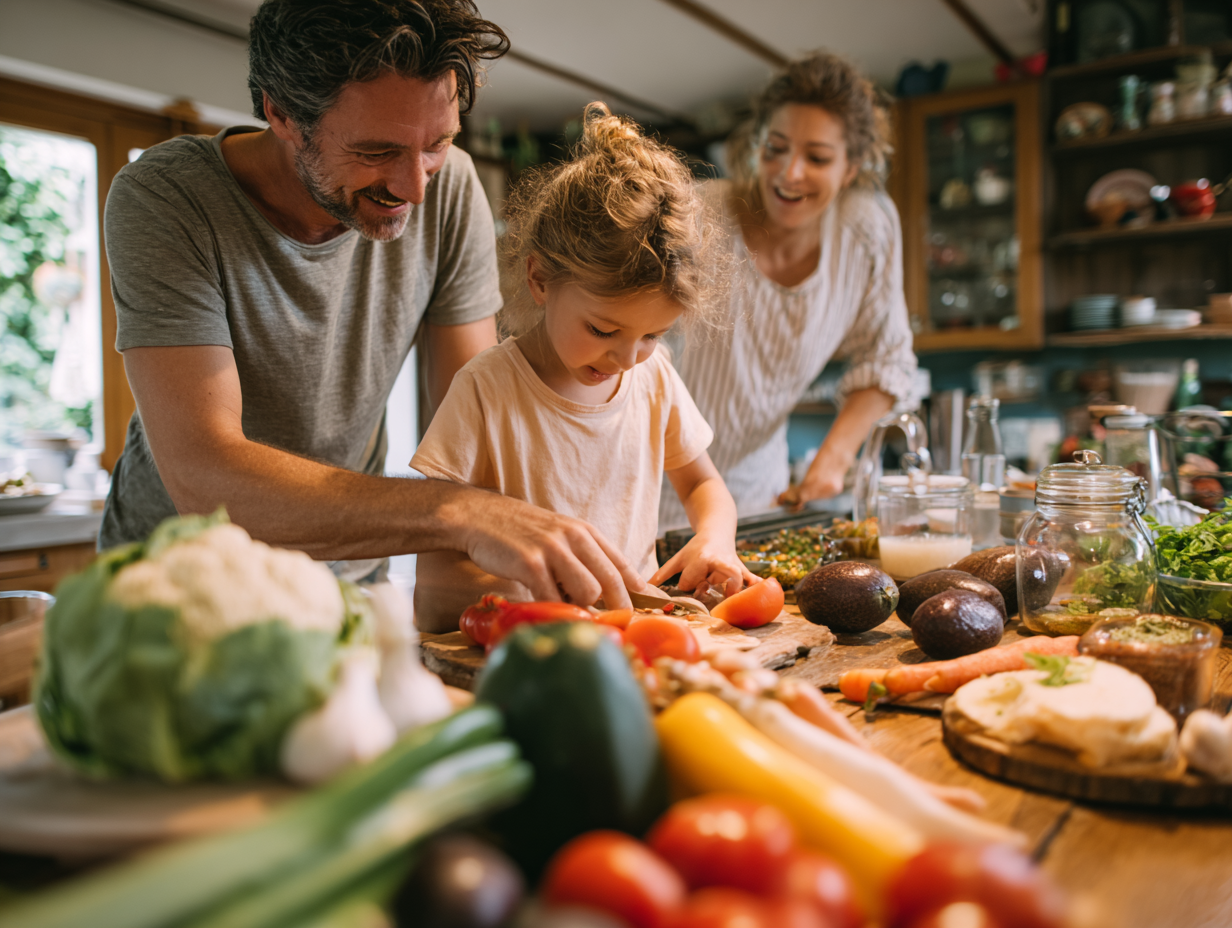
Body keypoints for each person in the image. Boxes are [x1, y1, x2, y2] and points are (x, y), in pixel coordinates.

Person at [100, 0, 641, 610]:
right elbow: (205, 476)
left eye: (437, 143)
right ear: (280, 112)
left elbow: (478, 416)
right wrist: (459, 512)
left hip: (345, 590)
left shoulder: (451, 188)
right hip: (171, 590)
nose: (414, 187)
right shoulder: (167, 196)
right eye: (377, 151)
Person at [410, 104, 756, 631]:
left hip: (637, 635)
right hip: (530, 640)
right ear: (540, 279)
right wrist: (532, 591)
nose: (626, 359)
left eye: (653, 335)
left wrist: (714, 537)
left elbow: (703, 486)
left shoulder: (653, 374)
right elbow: (434, 586)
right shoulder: (485, 389)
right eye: (603, 330)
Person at [658, 52, 918, 531]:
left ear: (852, 167)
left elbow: (888, 357)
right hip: (649, 483)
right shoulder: (697, 216)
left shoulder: (866, 228)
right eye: (775, 148)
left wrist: (835, 456)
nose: (789, 172)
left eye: (817, 158)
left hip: (758, 495)